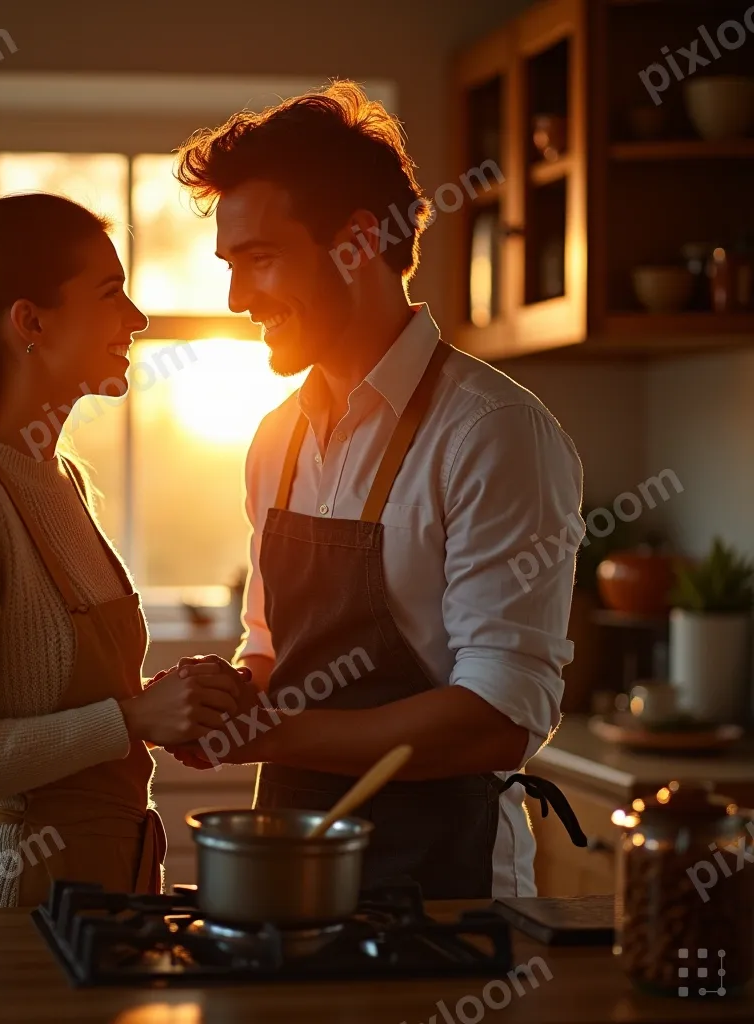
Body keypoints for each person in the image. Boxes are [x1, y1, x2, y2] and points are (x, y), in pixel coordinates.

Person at [166, 81, 588, 898]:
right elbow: (274, 652)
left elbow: (498, 720)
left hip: (447, 890)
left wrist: (263, 730)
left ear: (358, 241)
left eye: (260, 258)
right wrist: (218, 699)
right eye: (230, 264)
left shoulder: (492, 431)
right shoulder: (276, 438)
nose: (236, 299)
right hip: (293, 878)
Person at [0, 193, 247, 908]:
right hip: (15, 911)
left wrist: (168, 703)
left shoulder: (59, 478)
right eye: (110, 292)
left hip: (96, 900)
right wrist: (136, 719)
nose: (138, 319)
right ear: (30, 321)